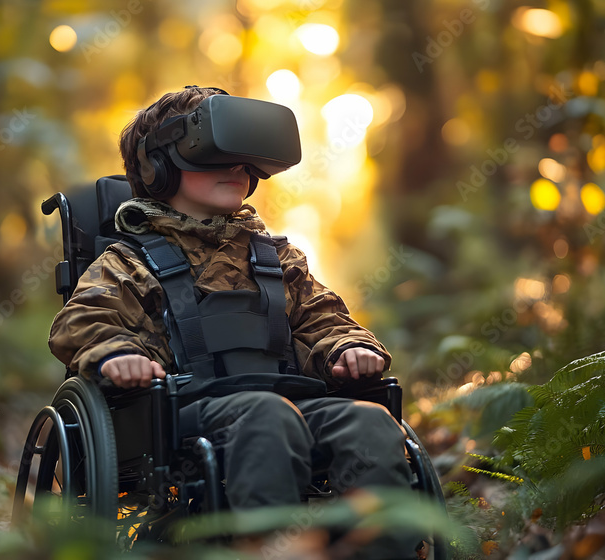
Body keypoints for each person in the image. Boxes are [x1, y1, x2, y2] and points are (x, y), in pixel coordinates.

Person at [48, 86, 419, 556]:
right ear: (158, 166)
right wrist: (118, 354)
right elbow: (84, 319)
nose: (237, 170)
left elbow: (324, 319)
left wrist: (346, 347)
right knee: (267, 416)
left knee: (368, 421)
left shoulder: (277, 258)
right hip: (178, 415)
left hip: (286, 403)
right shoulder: (127, 261)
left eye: (244, 161)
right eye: (214, 157)